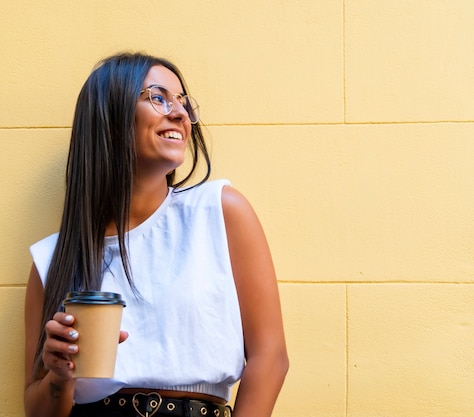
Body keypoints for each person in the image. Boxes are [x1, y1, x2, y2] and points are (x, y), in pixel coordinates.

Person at [24, 52, 288, 417]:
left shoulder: (219, 211)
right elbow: (38, 410)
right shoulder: (54, 259)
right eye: (158, 97)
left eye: (183, 102)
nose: (179, 113)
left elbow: (270, 357)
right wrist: (59, 376)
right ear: (111, 119)